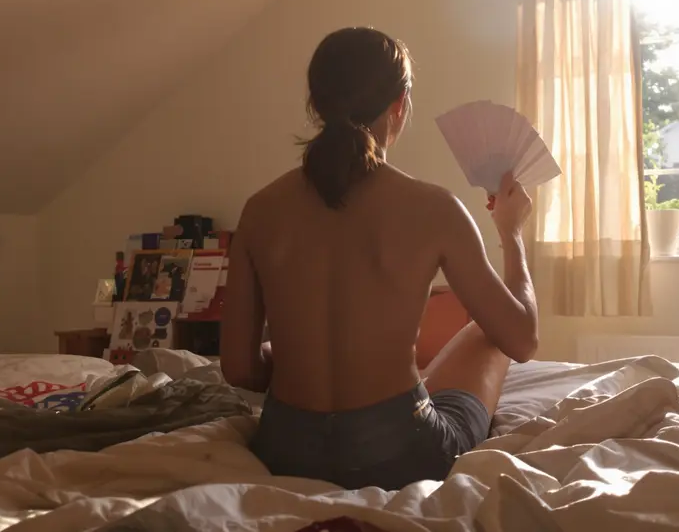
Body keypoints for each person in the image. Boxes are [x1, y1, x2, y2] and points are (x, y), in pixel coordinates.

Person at [220, 27, 539, 491]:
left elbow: (240, 370)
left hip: (286, 448)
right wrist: (512, 234)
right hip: (398, 449)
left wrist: (298, 355)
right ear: (400, 104)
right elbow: (522, 340)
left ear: (317, 104)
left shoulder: (260, 209)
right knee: (486, 333)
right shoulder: (433, 208)